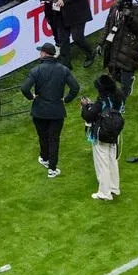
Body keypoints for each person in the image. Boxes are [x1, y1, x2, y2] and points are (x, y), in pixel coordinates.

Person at [20, 43, 80, 178]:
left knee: (43, 136)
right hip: (56, 111)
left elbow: (24, 88)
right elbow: (75, 88)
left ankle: (44, 158)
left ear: (44, 53)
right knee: (54, 139)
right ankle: (52, 168)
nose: (39, 53)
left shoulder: (36, 70)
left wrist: (31, 97)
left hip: (39, 110)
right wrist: (67, 99)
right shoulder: (63, 70)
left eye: (40, 51)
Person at [80, 75, 125, 201]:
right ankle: (114, 187)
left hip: (102, 133)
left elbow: (88, 116)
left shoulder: (102, 100)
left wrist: (85, 106)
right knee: (112, 159)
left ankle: (104, 193)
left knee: (102, 163)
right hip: (115, 131)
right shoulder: (119, 96)